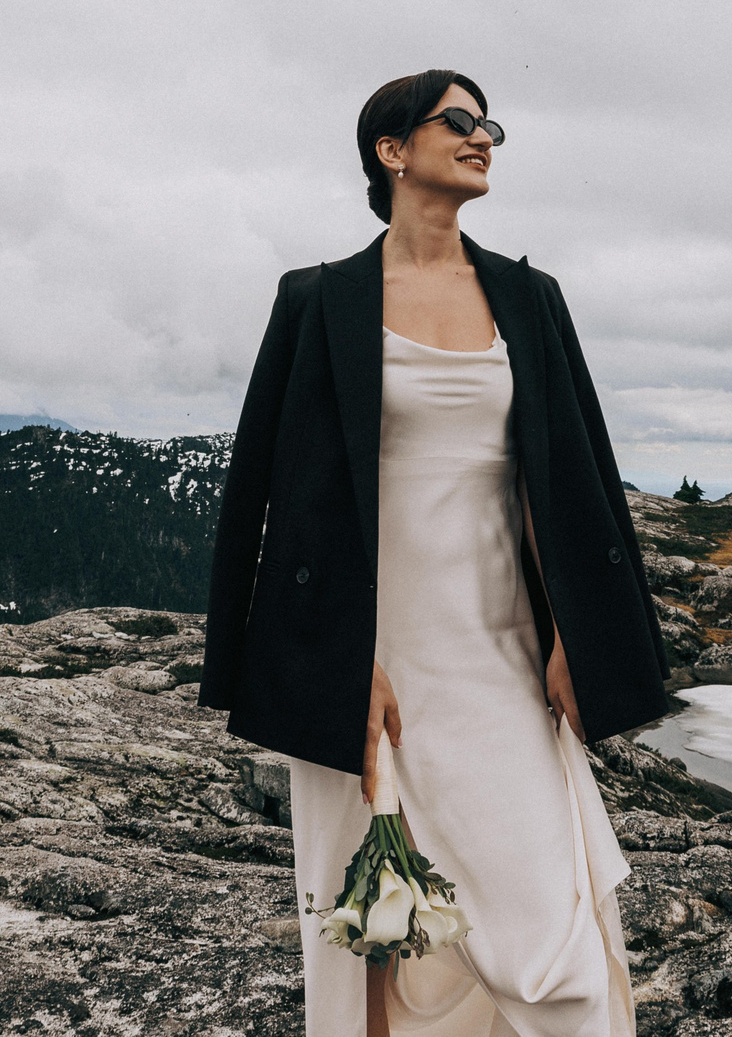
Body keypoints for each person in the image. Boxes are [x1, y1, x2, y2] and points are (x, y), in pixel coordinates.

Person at [201, 69, 671, 1037]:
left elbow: (566, 476)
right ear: (390, 149)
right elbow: (276, 496)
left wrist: (574, 638)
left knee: (549, 930)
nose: (482, 136)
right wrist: (337, 660)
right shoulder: (318, 300)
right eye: (457, 121)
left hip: (501, 652)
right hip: (369, 659)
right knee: (388, 932)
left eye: (488, 122)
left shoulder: (528, 298)